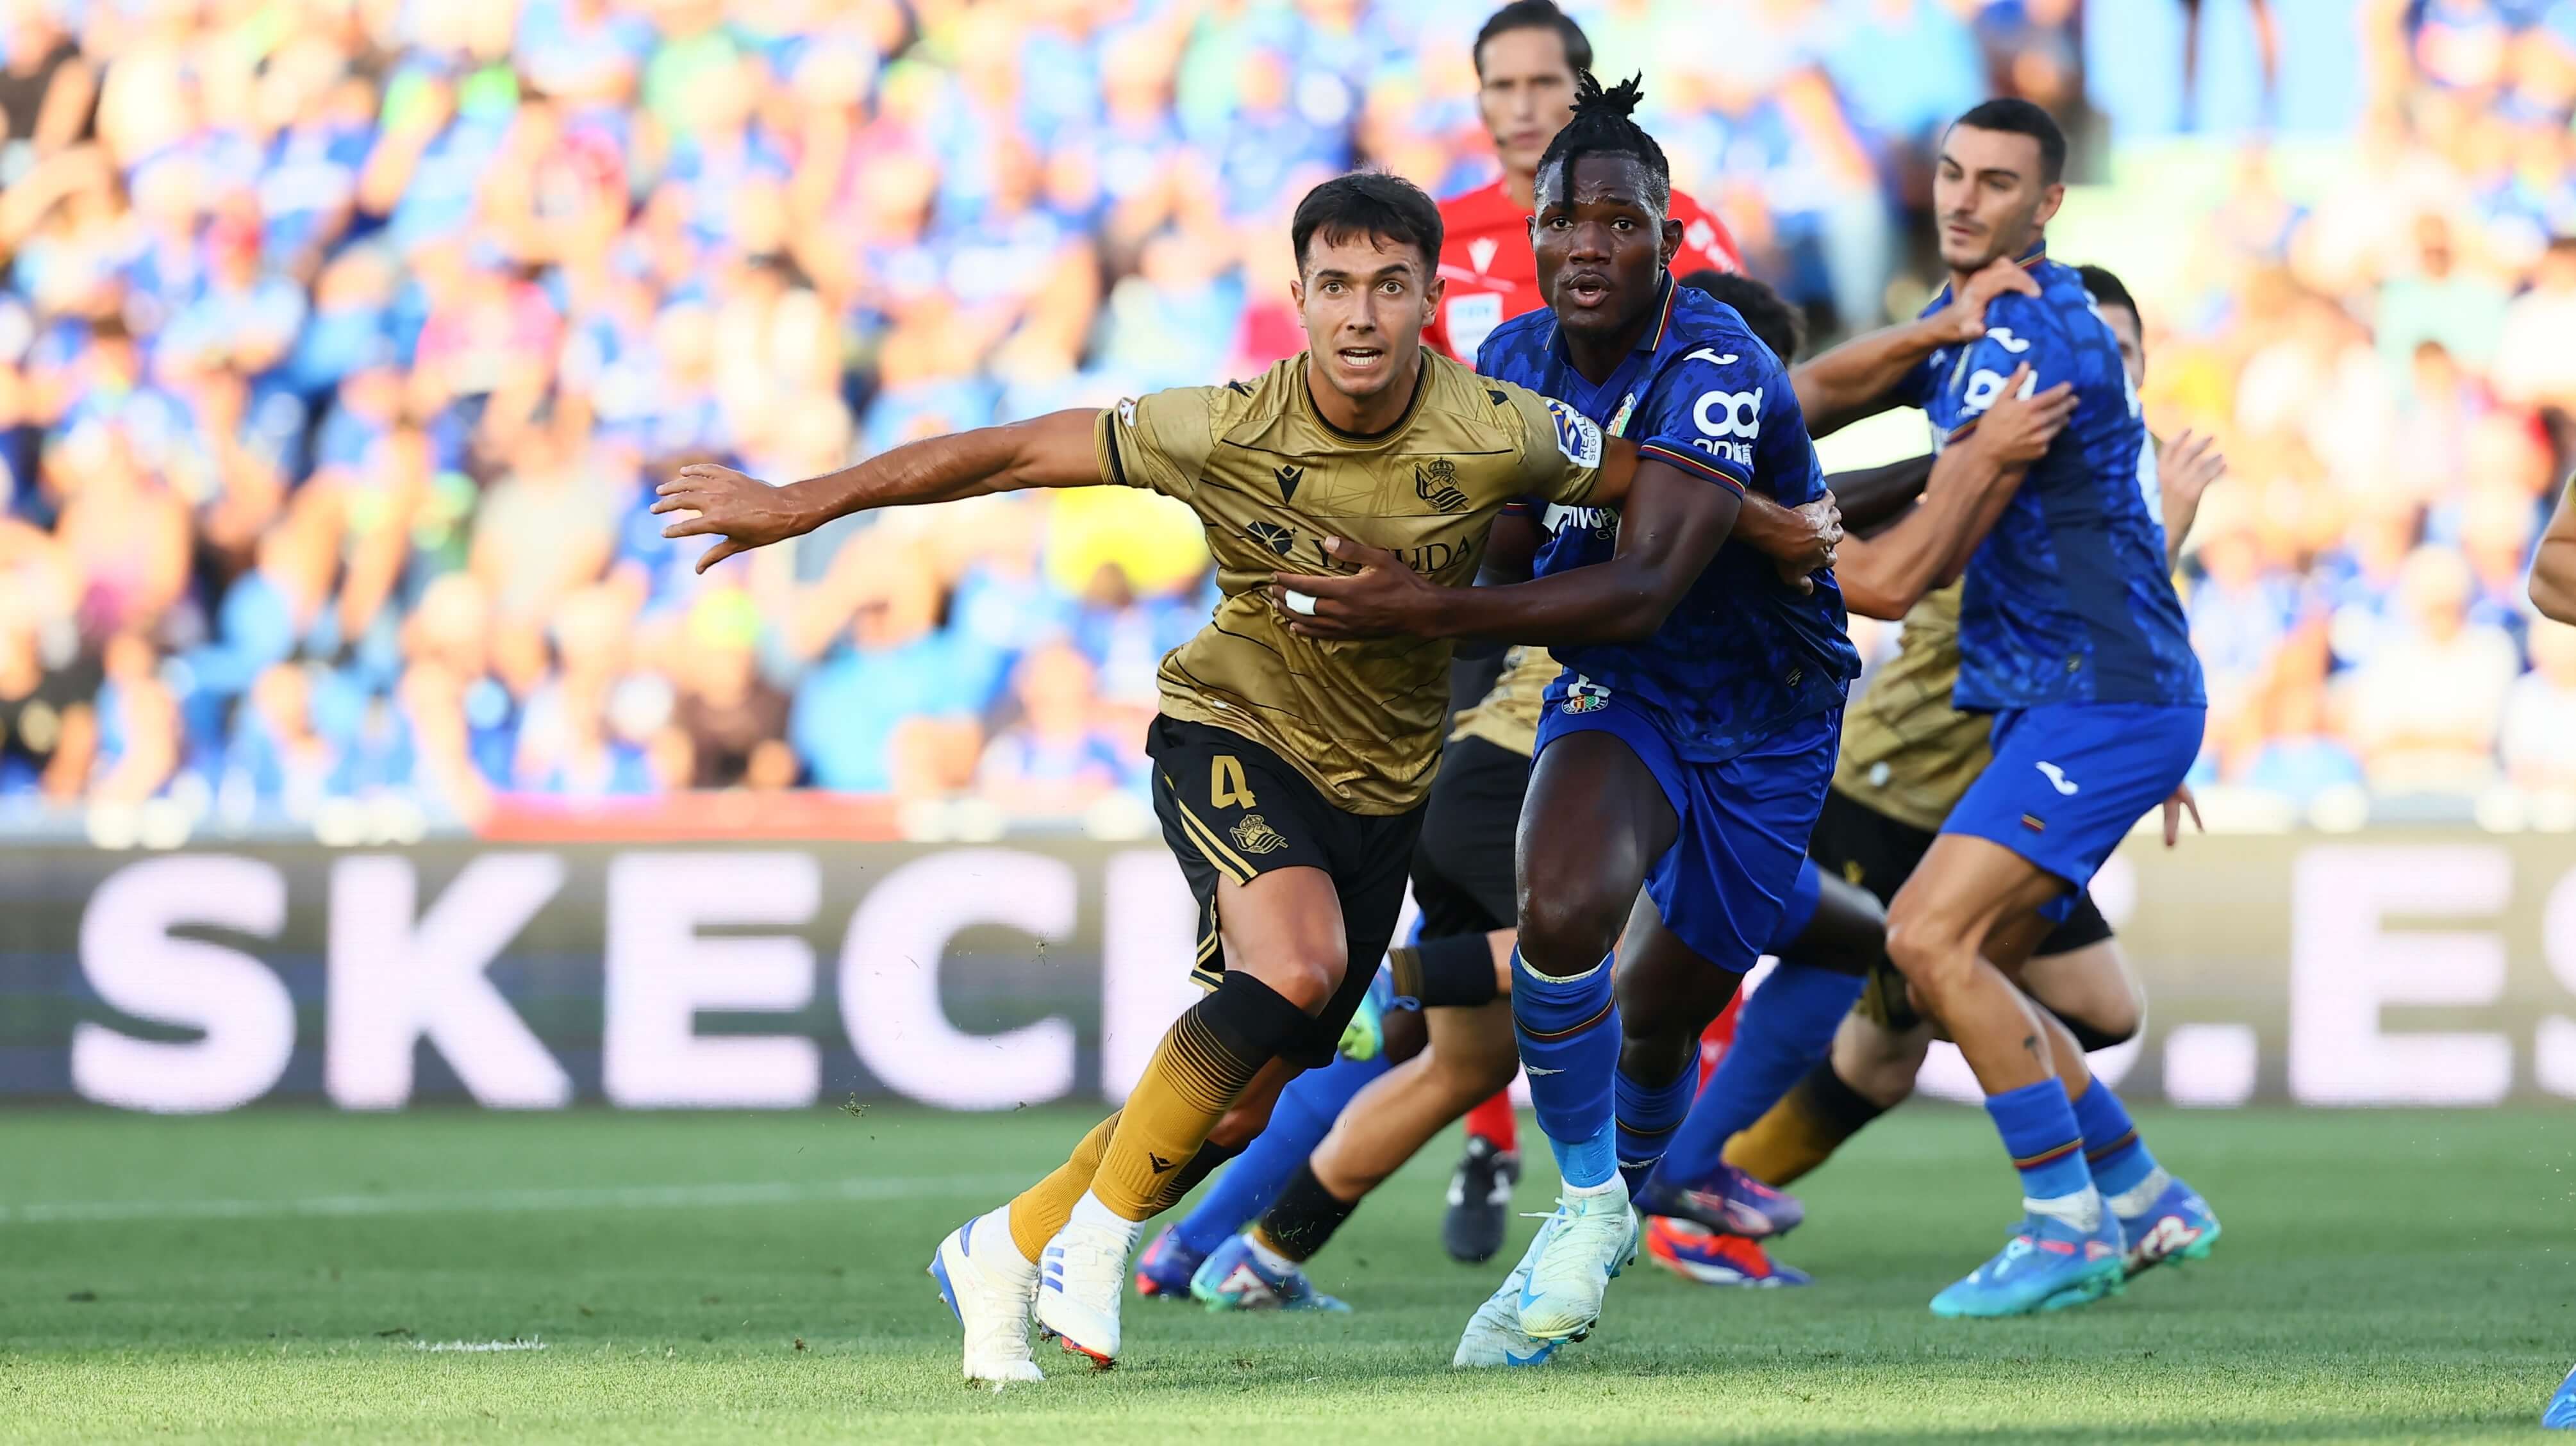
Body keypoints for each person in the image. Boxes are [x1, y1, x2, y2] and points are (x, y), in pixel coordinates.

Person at [654, 170, 1816, 1383]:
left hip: (1383, 789)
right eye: (1334, 288)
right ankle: (1096, 1242)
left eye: (1388, 286)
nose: (1360, 315)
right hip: (1230, 730)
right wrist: (803, 501)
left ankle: (1003, 1247)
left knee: (1246, 1103)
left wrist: (1783, 525)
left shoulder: (1499, 426)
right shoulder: (1222, 426)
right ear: (1298, 298)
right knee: (1299, 966)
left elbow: (1653, 482)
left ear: (1430, 300)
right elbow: (1003, 454)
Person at [1272, 72, 1864, 1361]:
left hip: (1767, 717)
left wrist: (1423, 618)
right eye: (1563, 222)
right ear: (1532, 235)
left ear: (1669, 239)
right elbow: (1508, 554)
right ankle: (1589, 1212)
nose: (1586, 244)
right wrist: (1394, 595)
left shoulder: (1717, 366)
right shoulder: (1513, 358)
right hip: (1624, 694)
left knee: (1659, 1016)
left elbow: (1647, 587)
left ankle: (1605, 1193)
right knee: (1558, 906)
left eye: (1619, 221)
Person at [1150, 267, 1855, 1312]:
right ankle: (1406, 980)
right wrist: (1886, 496)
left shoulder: (1651, 473)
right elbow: (1853, 574)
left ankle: (1245, 1253)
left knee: (1458, 1068)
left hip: (1480, 770)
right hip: (1536, 770)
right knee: (1621, 959)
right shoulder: (1658, 480)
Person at [1651, 263, 2232, 1289]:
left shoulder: (2089, 487)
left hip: (1999, 786)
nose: (2093, 373)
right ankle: (1701, 1194)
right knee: (1894, 1026)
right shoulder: (2009, 474)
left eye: (2121, 355)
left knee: (2089, 1006)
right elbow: (1900, 576)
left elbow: (2111, 645)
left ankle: (2122, 1197)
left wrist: (2141, 747)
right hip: (1892, 791)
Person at [1834, 99, 2211, 1319]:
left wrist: (1761, 540)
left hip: (2093, 702)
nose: (1962, 197)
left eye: (1997, 182)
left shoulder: (2028, 340)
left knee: (1925, 941)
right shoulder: (1970, 329)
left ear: (2048, 206)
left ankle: (2063, 1226)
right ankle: (2139, 1191)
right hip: (2073, 697)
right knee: (1978, 963)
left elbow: (1901, 575)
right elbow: (1805, 402)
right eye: (1949, 172)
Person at [1426, 0, 1743, 1258]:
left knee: (1603, 890)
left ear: (1583, 94)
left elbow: (1737, 376)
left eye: (1540, 82)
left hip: (1624, 596)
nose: (1517, 105)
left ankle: (1626, 1169)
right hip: (1474, 591)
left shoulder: (1669, 232)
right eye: (1497, 84)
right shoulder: (1432, 240)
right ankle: (1505, 1142)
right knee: (1480, 888)